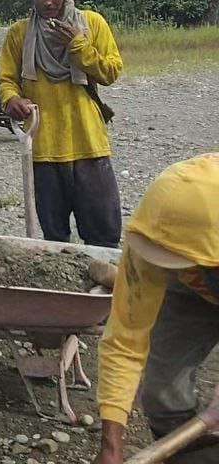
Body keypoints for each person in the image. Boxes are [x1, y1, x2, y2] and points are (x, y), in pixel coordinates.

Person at [93, 153, 219, 464]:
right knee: (162, 392)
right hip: (198, 279)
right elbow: (125, 340)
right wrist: (111, 447)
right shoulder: (153, 236)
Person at [0, 0, 124, 248]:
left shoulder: (92, 24)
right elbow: (6, 79)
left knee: (103, 232)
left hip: (88, 143)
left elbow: (111, 72)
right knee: (54, 236)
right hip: (44, 147)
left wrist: (78, 46)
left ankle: (103, 286)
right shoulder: (19, 33)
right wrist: (12, 98)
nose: (47, 2)